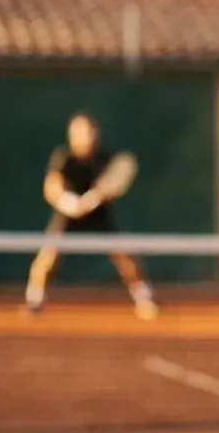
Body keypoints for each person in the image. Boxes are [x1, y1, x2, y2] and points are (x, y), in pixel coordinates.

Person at [23, 112, 159, 321]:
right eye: (78, 132)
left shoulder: (106, 160)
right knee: (47, 257)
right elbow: (52, 187)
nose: (84, 136)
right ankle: (34, 300)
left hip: (100, 215)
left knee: (125, 256)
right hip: (68, 215)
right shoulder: (64, 159)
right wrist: (69, 203)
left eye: (88, 131)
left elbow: (111, 187)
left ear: (95, 134)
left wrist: (94, 199)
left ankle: (144, 297)